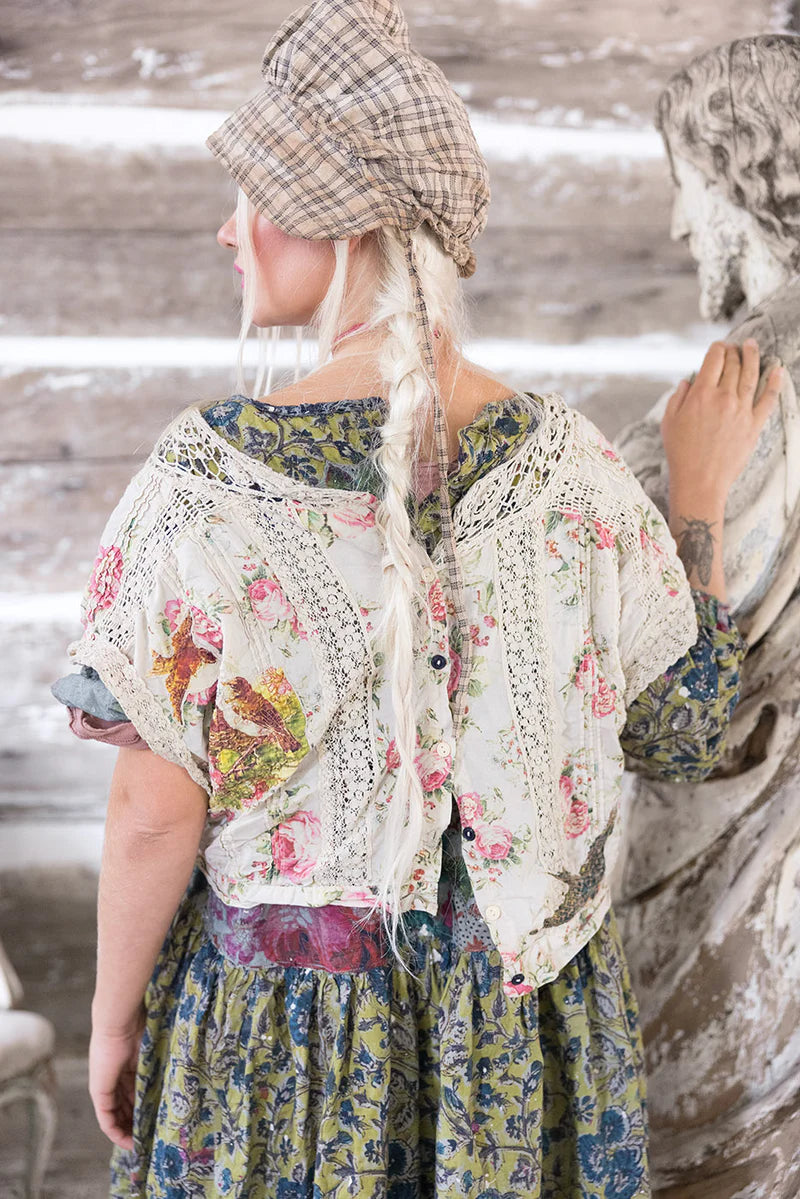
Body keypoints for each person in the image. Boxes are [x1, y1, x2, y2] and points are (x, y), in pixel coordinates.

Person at [50, 3, 782, 1196]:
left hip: (283, 1042)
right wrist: (694, 503)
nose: (228, 231)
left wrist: (110, 1020)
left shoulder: (205, 487)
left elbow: (150, 810)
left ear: (338, 222)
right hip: (519, 1046)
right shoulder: (575, 472)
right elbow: (682, 731)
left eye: (251, 197)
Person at [610, 36, 800, 1195]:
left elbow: (654, 656)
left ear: (743, 175)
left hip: (731, 862)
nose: (680, 225)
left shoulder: (752, 381)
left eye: (685, 184)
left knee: (708, 1158)